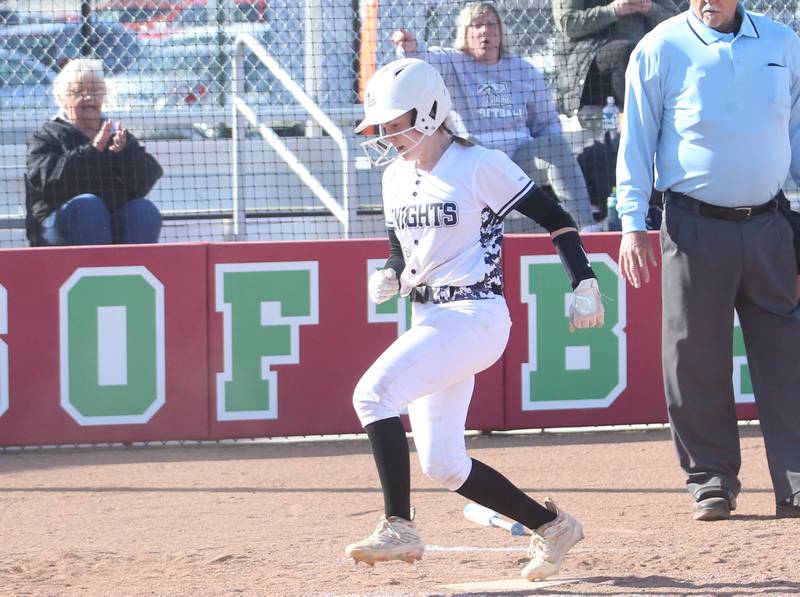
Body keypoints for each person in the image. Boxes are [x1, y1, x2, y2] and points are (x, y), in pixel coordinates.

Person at [345, 57, 605, 580]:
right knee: (442, 463)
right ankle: (552, 526)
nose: (388, 135)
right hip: (431, 318)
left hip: (476, 314)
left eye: (397, 123)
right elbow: (401, 245)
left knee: (372, 394)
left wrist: (584, 280)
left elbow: (555, 218)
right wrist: (392, 273)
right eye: (384, 125)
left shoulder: (478, 163)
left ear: (431, 111)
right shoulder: (395, 176)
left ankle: (399, 524)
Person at [616, 0, 800, 520]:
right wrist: (633, 223)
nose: (706, 2)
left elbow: (797, 133)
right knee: (692, 358)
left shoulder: (784, 44)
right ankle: (711, 480)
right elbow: (637, 141)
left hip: (771, 226)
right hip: (693, 228)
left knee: (788, 357)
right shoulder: (658, 47)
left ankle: (797, 478)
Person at [392, 1, 599, 230]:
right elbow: (424, 60)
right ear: (465, 32)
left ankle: (586, 229)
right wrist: (410, 47)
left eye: (491, 24)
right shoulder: (453, 62)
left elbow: (545, 122)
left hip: (520, 160)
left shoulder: (524, 70)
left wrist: (550, 146)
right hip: (475, 157)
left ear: (500, 31)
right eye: (477, 25)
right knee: (469, 146)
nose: (485, 31)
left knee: (556, 144)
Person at [25, 58, 163, 247]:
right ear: (63, 98)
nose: (89, 97)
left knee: (143, 210)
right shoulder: (47, 135)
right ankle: (99, 273)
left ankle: (132, 272)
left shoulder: (115, 132)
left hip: (112, 219)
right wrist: (92, 150)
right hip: (59, 223)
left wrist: (124, 152)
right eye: (79, 92)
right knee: (89, 208)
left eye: (95, 91)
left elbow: (147, 180)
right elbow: (47, 182)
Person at [552, 0, 679, 124]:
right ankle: (645, 125)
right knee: (629, 55)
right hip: (586, 60)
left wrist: (649, 8)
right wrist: (613, 10)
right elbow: (567, 21)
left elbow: (676, 21)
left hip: (640, 57)